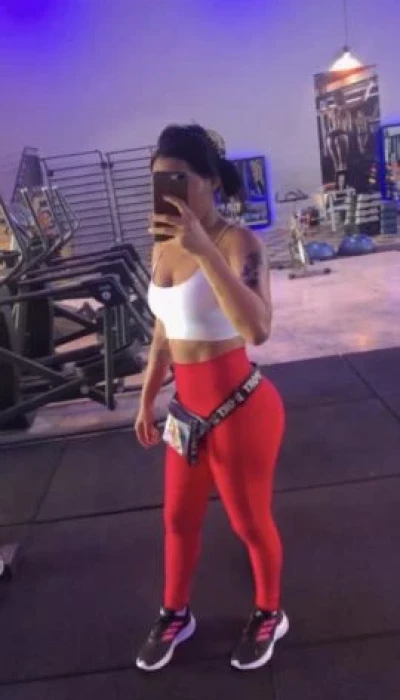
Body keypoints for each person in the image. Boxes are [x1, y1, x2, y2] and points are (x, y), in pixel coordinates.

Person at [134, 124, 288, 673]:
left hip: (242, 410)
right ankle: (175, 614)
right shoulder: (161, 247)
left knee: (249, 523)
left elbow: (257, 329)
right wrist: (147, 395)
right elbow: (163, 329)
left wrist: (203, 249)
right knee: (177, 519)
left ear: (211, 182)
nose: (169, 192)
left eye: (180, 179)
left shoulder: (239, 244)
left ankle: (270, 612)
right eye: (160, 182)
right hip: (187, 413)